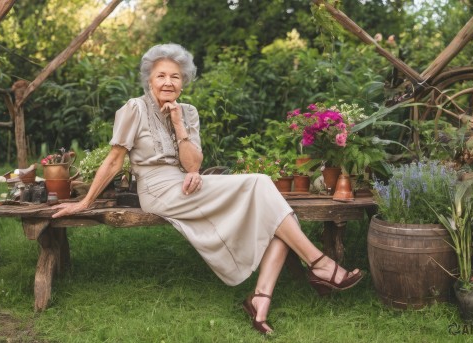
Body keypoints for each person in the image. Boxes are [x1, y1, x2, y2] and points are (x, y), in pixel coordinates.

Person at [52, 43, 363, 335]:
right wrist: (84, 203)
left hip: (183, 183)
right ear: (149, 79)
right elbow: (113, 161)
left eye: (175, 76)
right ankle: (320, 264)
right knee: (262, 186)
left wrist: (180, 132)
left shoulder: (187, 112)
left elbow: (191, 164)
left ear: (183, 82)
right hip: (158, 190)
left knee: (272, 205)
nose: (168, 82)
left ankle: (261, 300)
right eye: (160, 75)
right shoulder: (134, 109)